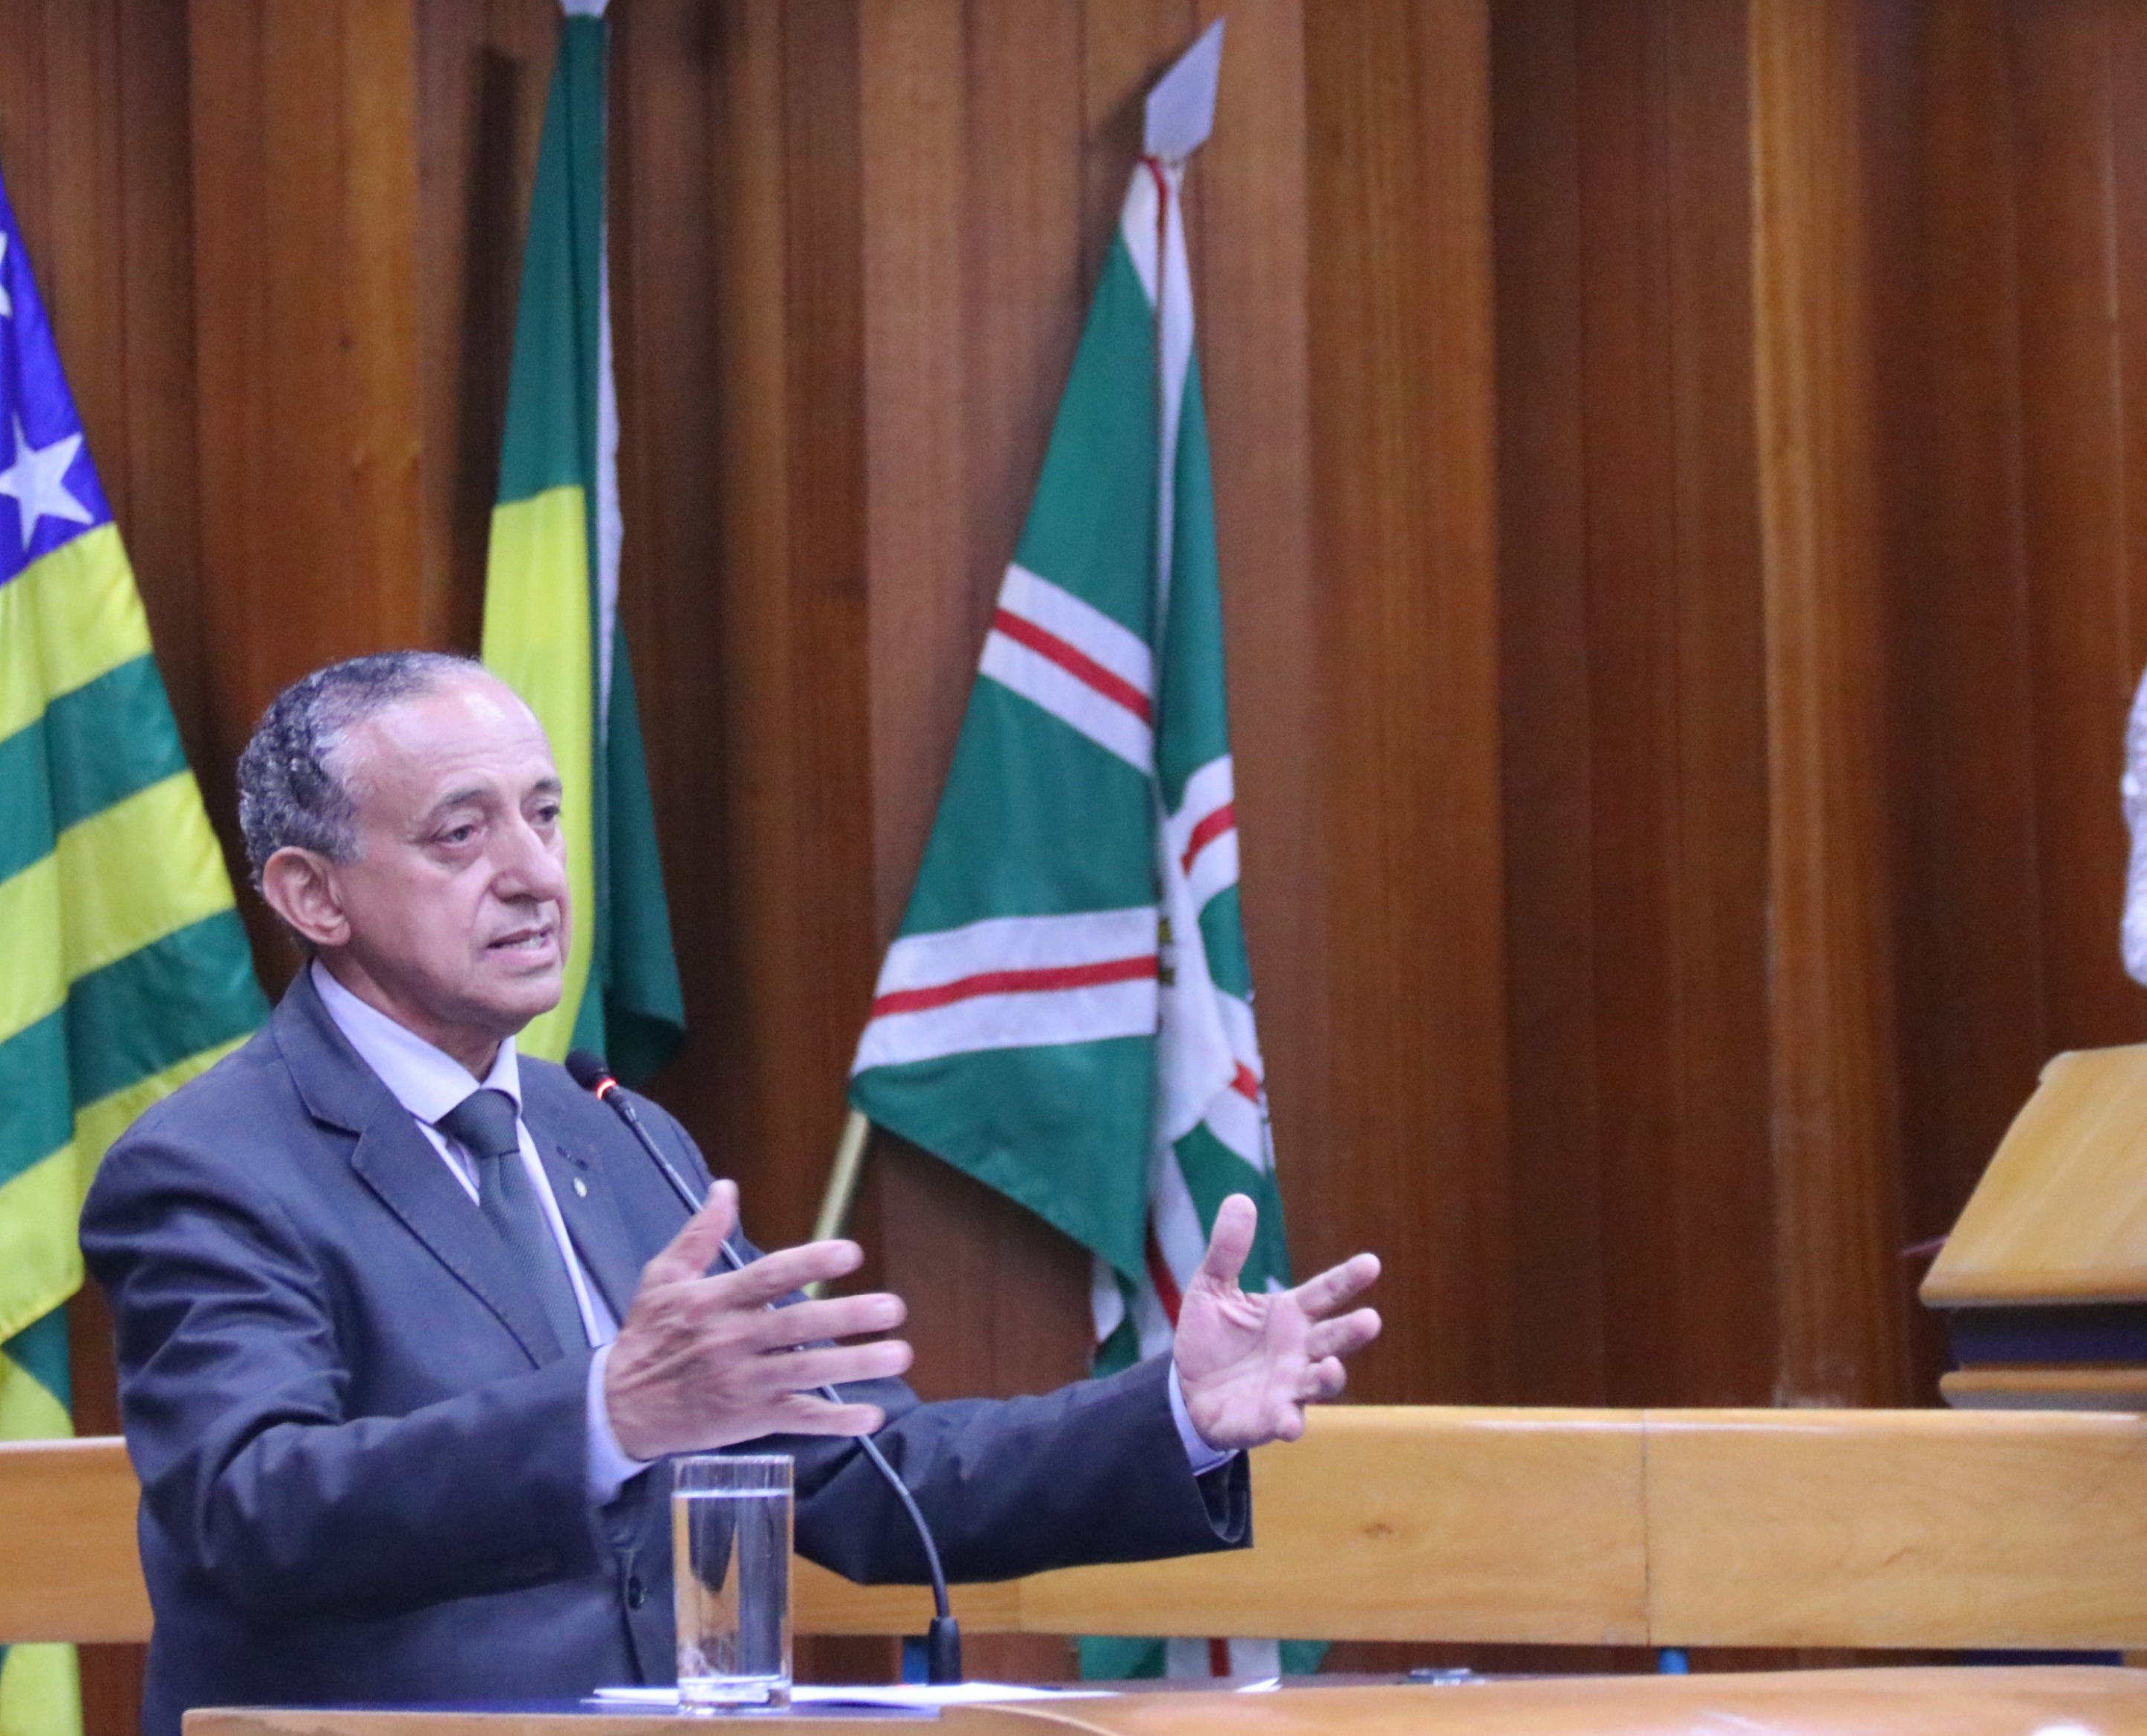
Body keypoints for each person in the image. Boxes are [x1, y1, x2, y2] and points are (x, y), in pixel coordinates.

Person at [82, 652, 1381, 1731]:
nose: (534, 872)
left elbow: (876, 1477)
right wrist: (609, 1412)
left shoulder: (611, 1133)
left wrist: (1175, 1413)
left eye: (545, 814)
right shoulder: (210, 1168)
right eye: (461, 833)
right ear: (314, 894)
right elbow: (253, 1511)